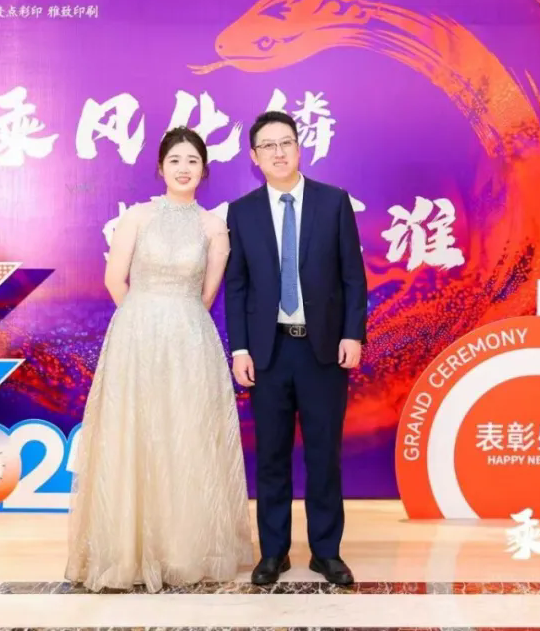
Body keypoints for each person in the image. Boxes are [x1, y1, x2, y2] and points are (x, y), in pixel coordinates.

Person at [66, 127, 253, 593]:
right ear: (160, 167)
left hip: (190, 341)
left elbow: (207, 293)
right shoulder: (138, 217)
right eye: (175, 160)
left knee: (185, 435)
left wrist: (175, 320)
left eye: (192, 161)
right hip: (135, 338)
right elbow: (115, 280)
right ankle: (126, 549)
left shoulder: (214, 227)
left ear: (204, 170)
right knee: (135, 434)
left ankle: (181, 550)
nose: (184, 168)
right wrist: (143, 320)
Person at [224, 111, 368, 586]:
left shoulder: (333, 202)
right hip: (268, 353)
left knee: (324, 455)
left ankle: (326, 552)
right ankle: (274, 553)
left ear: (299, 147)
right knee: (271, 456)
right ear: (254, 157)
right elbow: (237, 287)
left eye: (285, 142)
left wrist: (352, 334)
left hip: (323, 350)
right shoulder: (242, 211)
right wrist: (240, 350)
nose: (278, 152)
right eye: (268, 146)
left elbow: (353, 277)